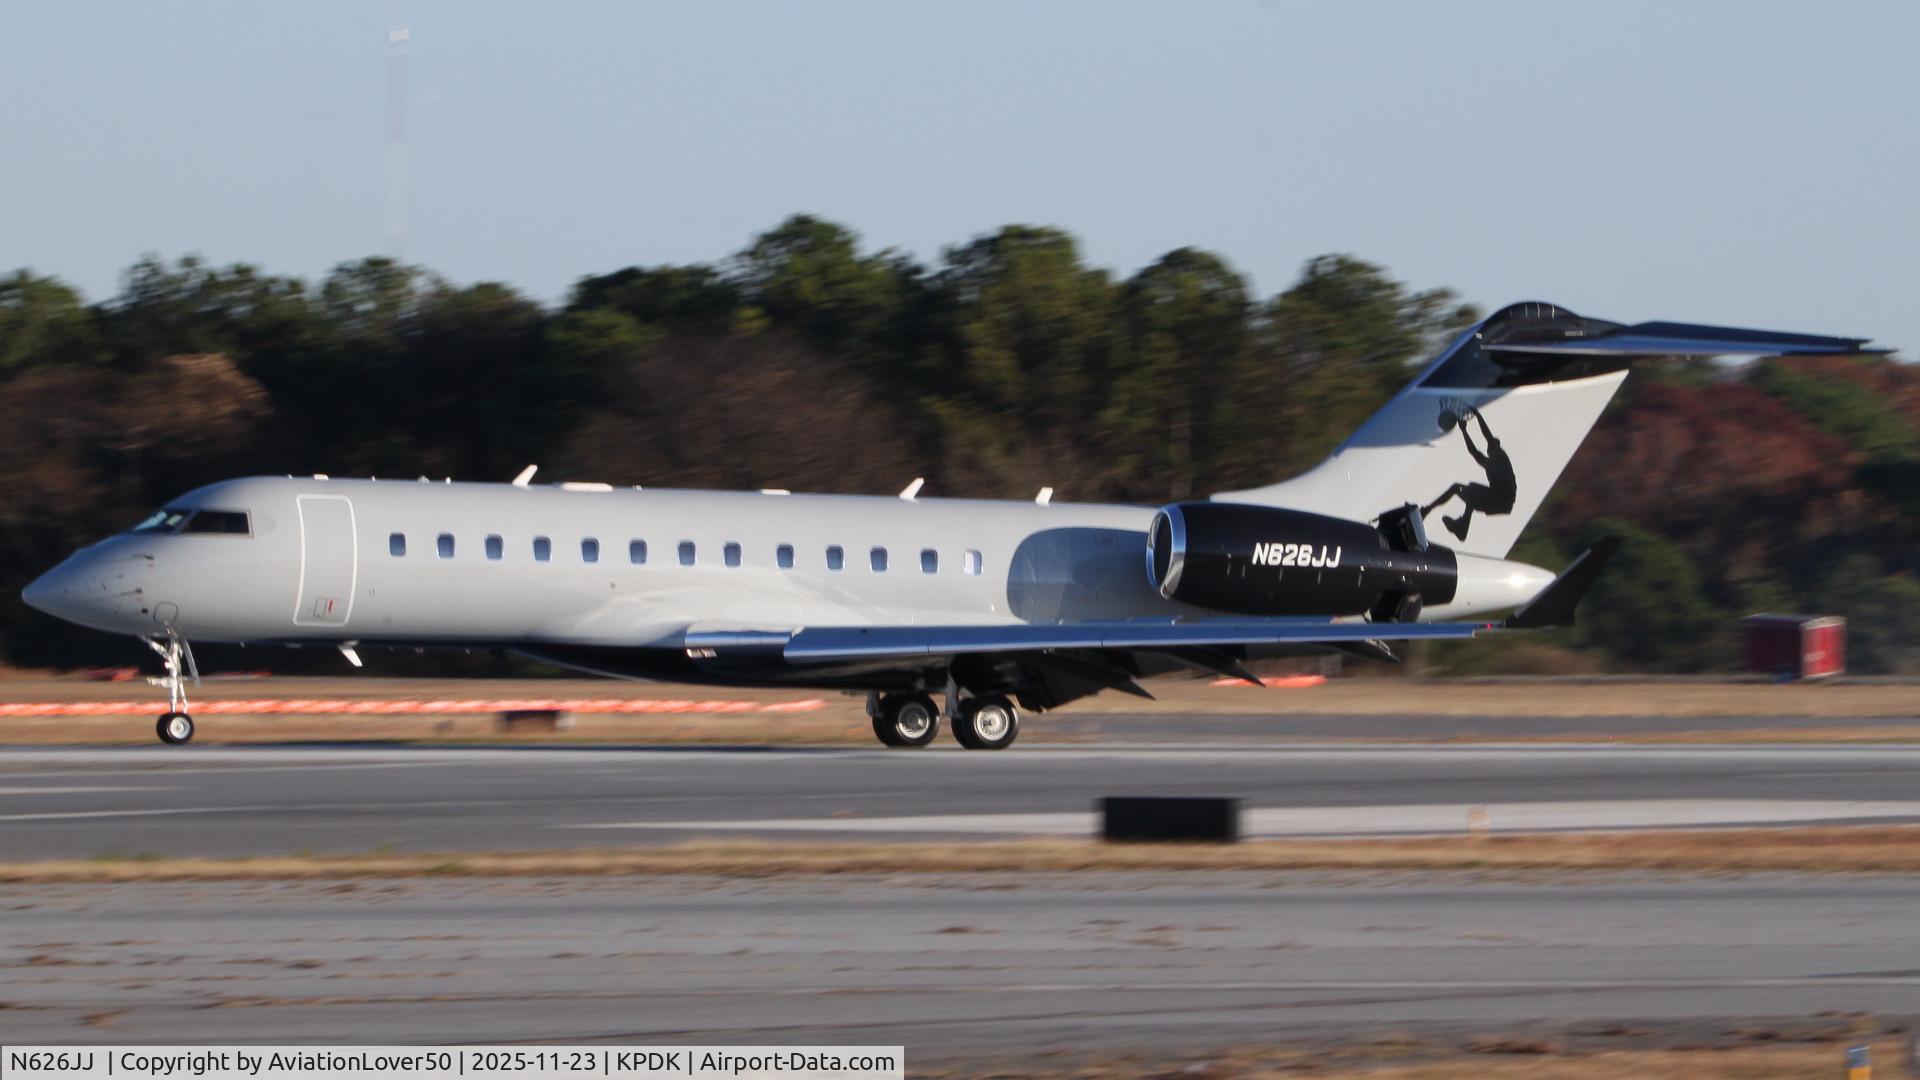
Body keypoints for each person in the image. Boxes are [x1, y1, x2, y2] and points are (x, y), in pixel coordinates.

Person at [1421, 404, 1516, 541]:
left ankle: (1428, 510)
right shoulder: (1492, 461)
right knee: (1472, 494)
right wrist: (1464, 430)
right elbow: (1475, 452)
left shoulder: (1499, 456)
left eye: (1493, 442)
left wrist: (1477, 416)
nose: (1489, 445)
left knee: (1459, 488)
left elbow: (1486, 436)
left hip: (1501, 499)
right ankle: (1462, 526)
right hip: (1500, 500)